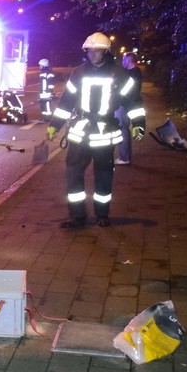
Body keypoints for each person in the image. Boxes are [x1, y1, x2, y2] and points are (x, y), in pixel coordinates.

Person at [46, 32, 146, 229]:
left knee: (104, 175)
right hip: (81, 132)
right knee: (73, 173)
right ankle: (77, 215)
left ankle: (102, 214)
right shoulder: (79, 73)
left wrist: (139, 124)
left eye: (96, 51)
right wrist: (54, 125)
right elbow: (66, 101)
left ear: (105, 52)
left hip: (104, 132)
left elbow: (133, 101)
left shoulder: (119, 74)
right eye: (89, 51)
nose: (92, 54)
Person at [114, 52, 144, 165]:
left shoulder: (132, 74)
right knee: (123, 130)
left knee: (122, 131)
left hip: (123, 106)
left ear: (128, 61)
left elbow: (126, 93)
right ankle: (124, 156)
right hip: (125, 105)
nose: (122, 62)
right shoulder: (134, 73)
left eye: (123, 60)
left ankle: (124, 158)